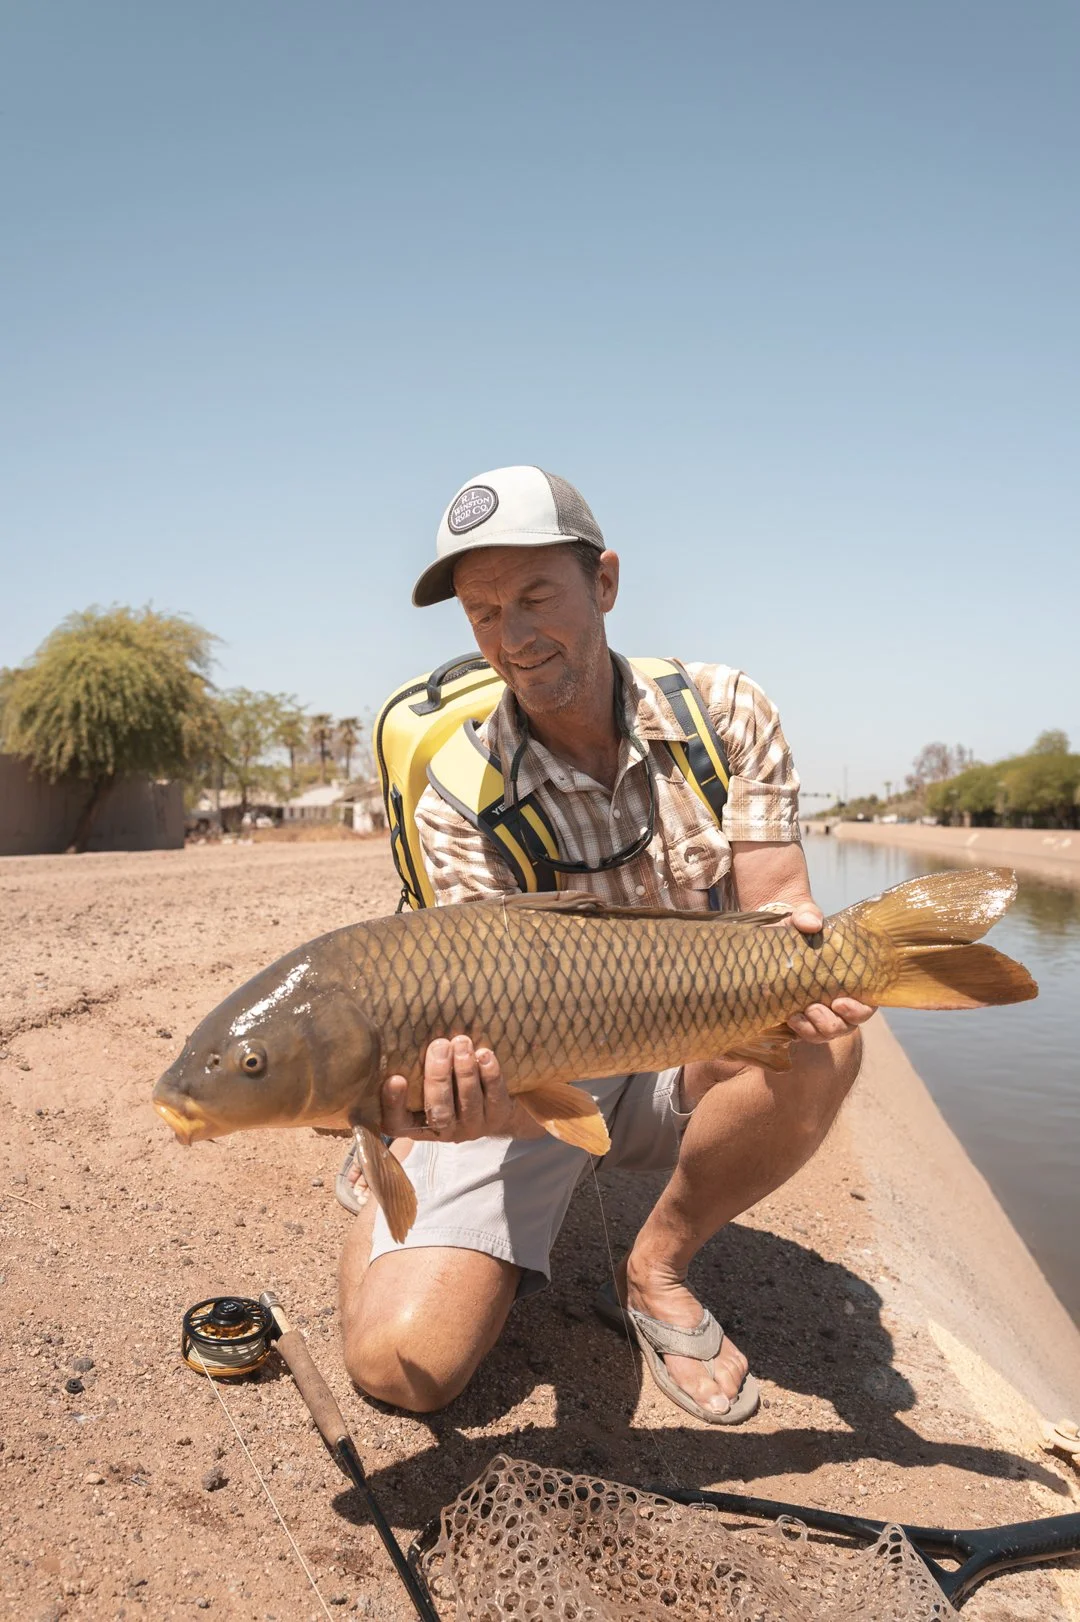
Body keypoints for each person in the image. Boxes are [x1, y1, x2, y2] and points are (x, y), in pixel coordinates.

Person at [338, 466, 872, 1422]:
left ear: (606, 583)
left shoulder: (727, 712)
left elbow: (779, 902)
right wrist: (455, 1110)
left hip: (690, 1058)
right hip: (535, 1087)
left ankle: (656, 1266)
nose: (513, 636)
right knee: (400, 1367)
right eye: (483, 611)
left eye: (536, 595)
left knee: (826, 1039)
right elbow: (500, 1073)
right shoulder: (459, 794)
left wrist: (823, 973)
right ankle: (380, 1145)